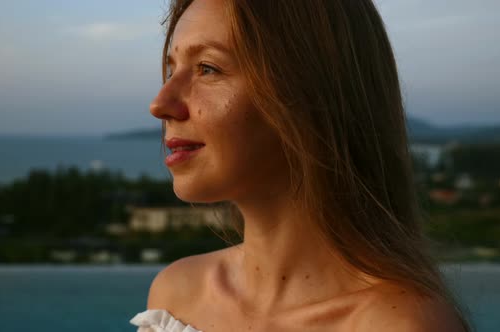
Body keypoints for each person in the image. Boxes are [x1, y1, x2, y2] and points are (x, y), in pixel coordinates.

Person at [130, 0, 470, 331]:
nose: (160, 104)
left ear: (309, 91)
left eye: (208, 68)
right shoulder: (176, 298)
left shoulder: (398, 324)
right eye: (172, 69)